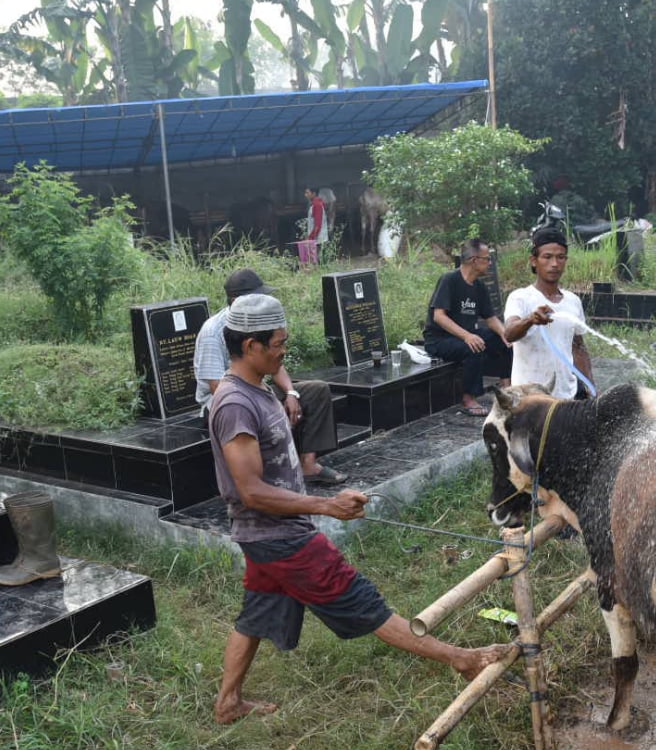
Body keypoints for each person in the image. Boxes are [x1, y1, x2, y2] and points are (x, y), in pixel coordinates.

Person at [208, 293, 512, 724]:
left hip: (268, 535)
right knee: (363, 600)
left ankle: (228, 703)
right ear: (251, 346)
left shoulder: (256, 391)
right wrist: (326, 505)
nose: (283, 350)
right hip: (280, 537)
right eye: (277, 343)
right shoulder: (236, 404)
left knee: (256, 612)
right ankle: (462, 659)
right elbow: (251, 491)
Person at [195, 268, 348, 486]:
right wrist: (266, 404)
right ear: (237, 300)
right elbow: (216, 388)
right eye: (258, 295)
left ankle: (308, 464)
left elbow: (275, 364)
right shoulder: (213, 331)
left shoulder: (262, 323)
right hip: (227, 401)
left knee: (317, 390)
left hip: (259, 388)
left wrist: (291, 393)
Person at [423, 238, 512, 416]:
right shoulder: (449, 280)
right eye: (487, 259)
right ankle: (468, 398)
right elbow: (439, 316)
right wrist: (466, 336)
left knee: (501, 341)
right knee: (474, 346)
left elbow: (490, 318)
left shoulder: (479, 286)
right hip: (440, 339)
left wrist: (506, 334)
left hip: (466, 335)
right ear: (474, 260)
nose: (489, 263)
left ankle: (507, 390)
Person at [502, 228, 593, 400]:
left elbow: (578, 348)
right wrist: (530, 319)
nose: (555, 264)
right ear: (534, 261)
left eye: (561, 257)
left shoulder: (573, 301)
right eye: (547, 257)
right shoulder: (520, 297)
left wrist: (591, 387)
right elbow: (509, 334)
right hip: (529, 397)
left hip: (566, 395)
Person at [297, 185, 328, 269]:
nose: (305, 195)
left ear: (313, 194)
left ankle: (319, 273)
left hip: (318, 236)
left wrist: (311, 237)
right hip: (317, 235)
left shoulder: (317, 205)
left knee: (316, 258)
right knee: (315, 258)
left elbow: (318, 224)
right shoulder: (315, 203)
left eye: (307, 193)